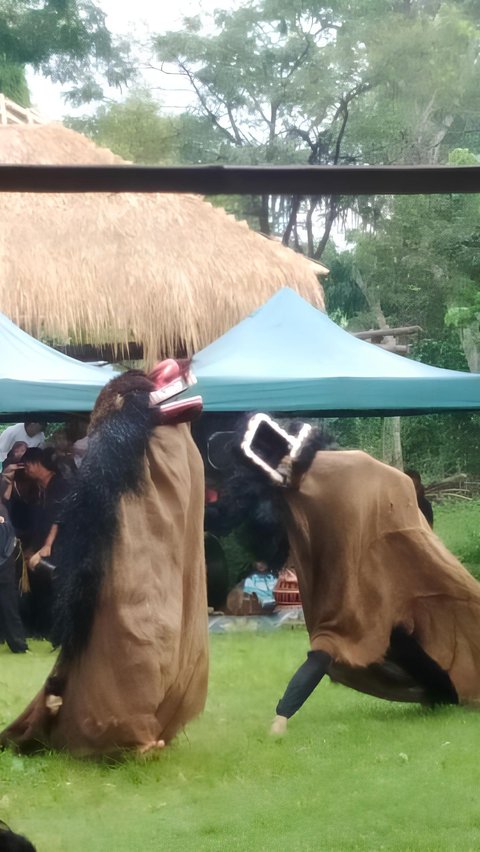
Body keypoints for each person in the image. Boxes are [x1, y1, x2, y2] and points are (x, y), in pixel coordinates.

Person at [214, 413, 480, 735]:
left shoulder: (337, 471)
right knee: (377, 639)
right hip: (358, 586)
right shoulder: (297, 496)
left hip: (381, 576)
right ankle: (443, 693)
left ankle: (281, 718)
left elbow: (391, 485)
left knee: (348, 642)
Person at [0, 364, 208, 757]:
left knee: (137, 638)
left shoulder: (156, 449)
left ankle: (134, 726)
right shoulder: (161, 451)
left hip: (137, 574)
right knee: (125, 640)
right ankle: (129, 728)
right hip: (126, 573)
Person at [0, 467, 28, 653]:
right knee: (8, 603)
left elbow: (6, 541)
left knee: (8, 603)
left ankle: (17, 643)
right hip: (4, 560)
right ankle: (16, 643)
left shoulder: (2, 511)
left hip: (3, 561)